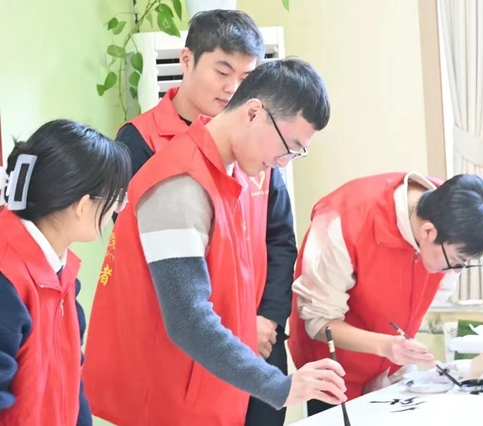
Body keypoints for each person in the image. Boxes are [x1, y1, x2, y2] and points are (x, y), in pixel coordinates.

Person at [82, 58, 347, 426]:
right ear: (253, 113)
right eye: (289, 146)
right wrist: (279, 386)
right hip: (169, 404)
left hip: (208, 393)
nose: (284, 162)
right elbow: (188, 320)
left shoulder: (227, 174)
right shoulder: (181, 185)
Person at [115, 11, 297, 425]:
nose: (233, 88)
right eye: (222, 71)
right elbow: (142, 258)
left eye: (246, 77)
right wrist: (234, 329)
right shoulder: (141, 141)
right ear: (186, 60)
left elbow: (280, 239)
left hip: (261, 342)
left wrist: (267, 318)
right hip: (188, 354)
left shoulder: (259, 140)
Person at [288, 172, 483, 415]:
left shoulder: (454, 217)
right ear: (428, 232)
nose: (456, 271)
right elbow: (319, 323)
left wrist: (394, 365)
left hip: (389, 372)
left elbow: (423, 299)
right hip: (335, 377)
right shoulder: (344, 219)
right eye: (457, 261)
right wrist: (385, 347)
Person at [0, 120, 131, 425]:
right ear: (83, 205)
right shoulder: (7, 278)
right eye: (115, 200)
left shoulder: (62, 271)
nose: (116, 210)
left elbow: (72, 380)